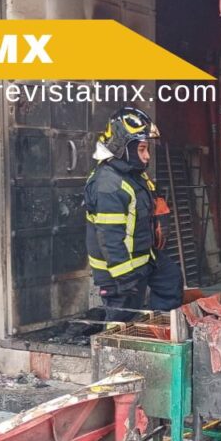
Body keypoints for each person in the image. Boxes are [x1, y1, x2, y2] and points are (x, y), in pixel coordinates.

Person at [85, 107, 183, 323]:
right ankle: (113, 342)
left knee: (170, 279)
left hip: (143, 257)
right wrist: (125, 279)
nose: (147, 156)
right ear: (122, 148)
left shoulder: (132, 175)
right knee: (122, 321)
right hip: (119, 270)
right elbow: (110, 238)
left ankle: (160, 328)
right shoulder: (109, 186)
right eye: (142, 149)